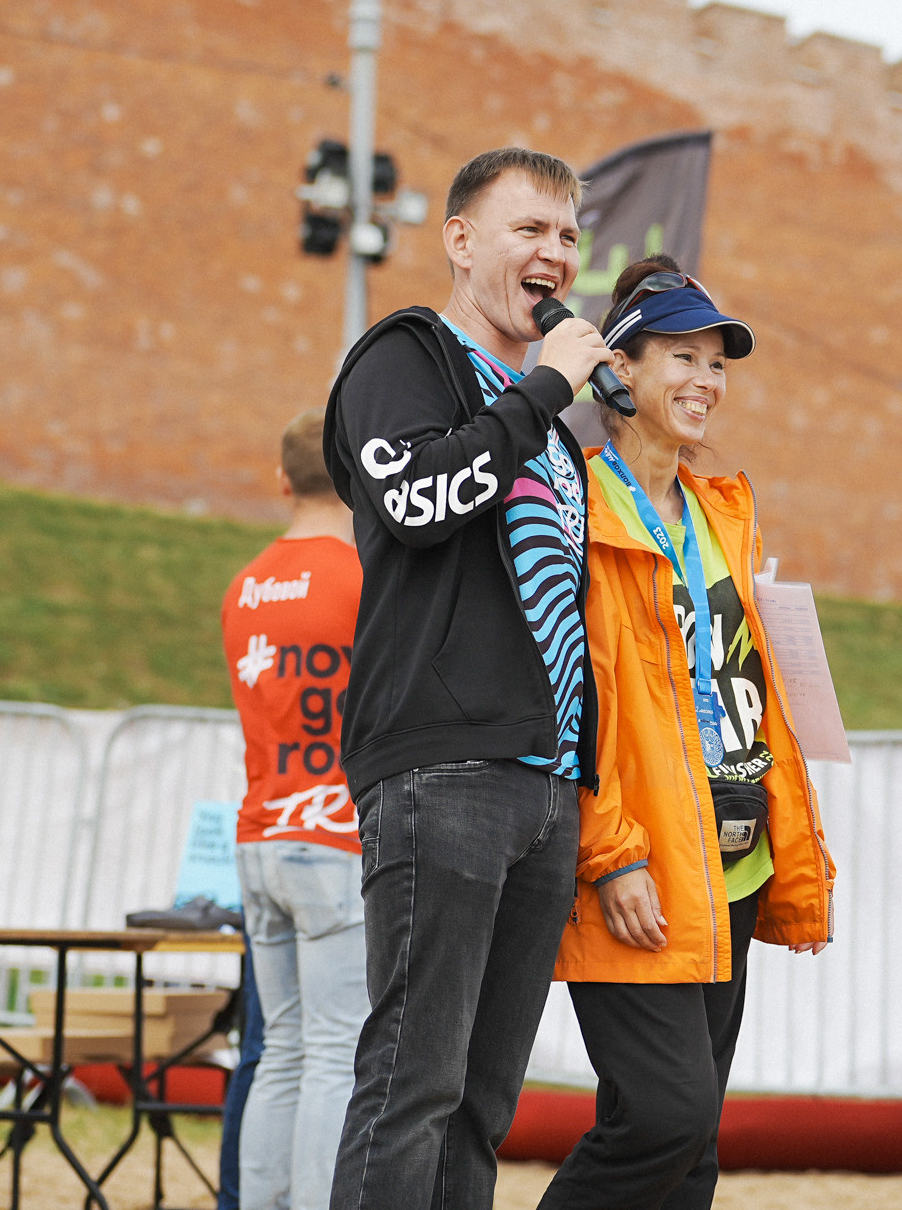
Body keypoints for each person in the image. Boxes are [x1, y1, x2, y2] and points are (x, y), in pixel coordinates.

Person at [320, 146, 614, 1210]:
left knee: (484, 1100)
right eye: (530, 228)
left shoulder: (551, 431)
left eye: (569, 236)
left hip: (543, 786)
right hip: (442, 768)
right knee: (414, 1080)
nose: (555, 252)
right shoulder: (406, 357)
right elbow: (417, 502)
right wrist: (543, 391)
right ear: (459, 239)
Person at [539, 256, 836, 1210]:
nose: (707, 381)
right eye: (683, 357)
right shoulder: (575, 505)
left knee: (691, 1145)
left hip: (732, 862)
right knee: (659, 1121)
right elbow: (563, 699)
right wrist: (609, 853)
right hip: (641, 865)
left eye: (718, 363)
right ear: (618, 371)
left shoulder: (724, 514)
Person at [221, 409, 367, 1210]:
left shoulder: (244, 584)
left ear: (282, 481)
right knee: (335, 1052)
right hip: (336, 832)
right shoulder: (362, 576)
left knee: (280, 1052)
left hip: (262, 829)